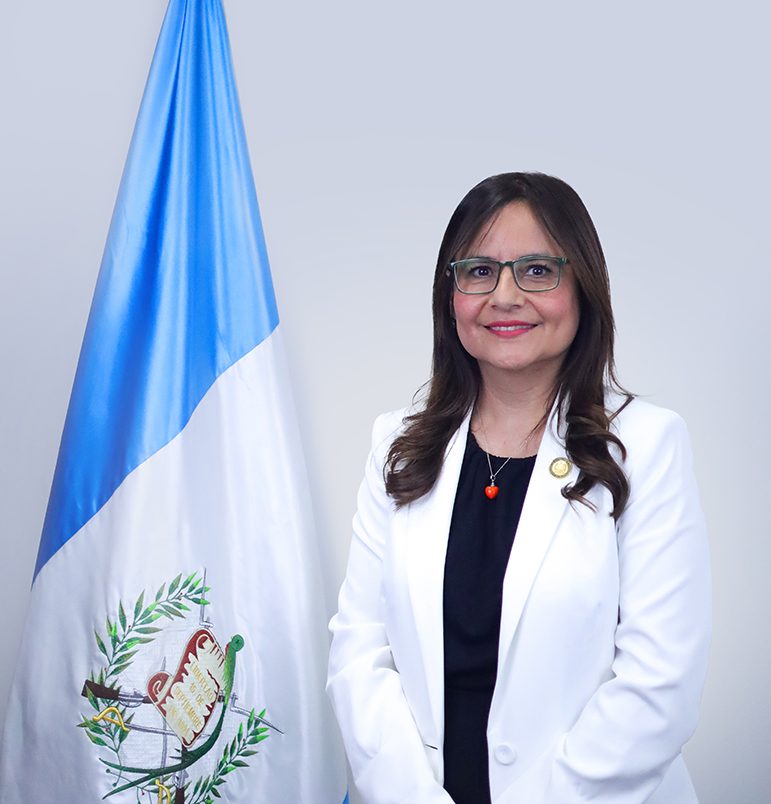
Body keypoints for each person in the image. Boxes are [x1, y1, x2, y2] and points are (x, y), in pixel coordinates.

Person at [326, 172, 711, 804]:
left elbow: (658, 686)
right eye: (479, 271)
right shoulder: (398, 443)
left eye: (537, 271)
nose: (504, 296)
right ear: (450, 294)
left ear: (583, 287)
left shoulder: (646, 446)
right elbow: (358, 654)